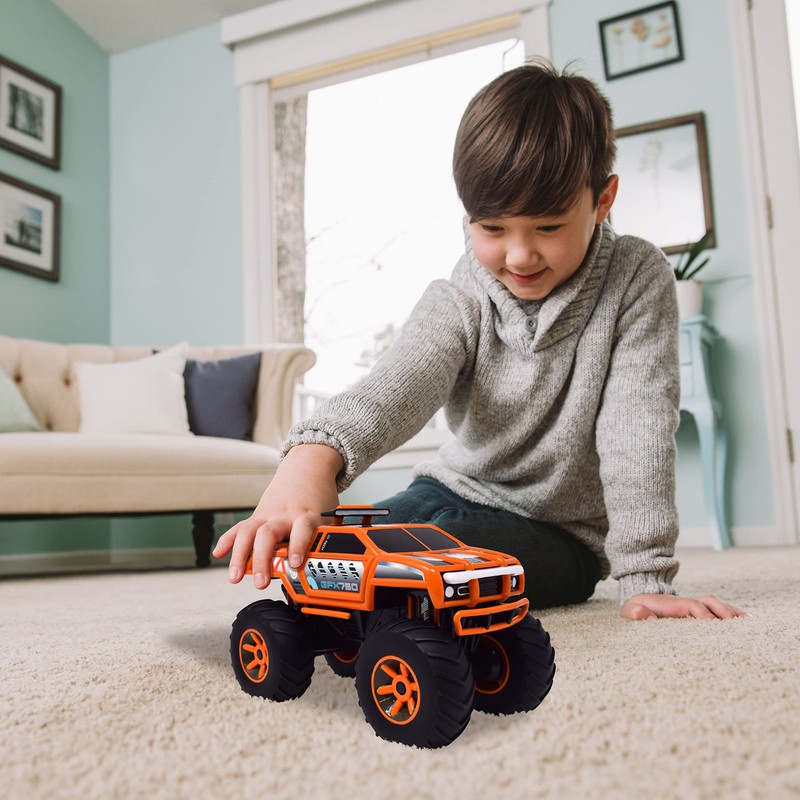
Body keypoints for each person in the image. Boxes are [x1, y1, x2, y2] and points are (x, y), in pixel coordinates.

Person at [214, 61, 744, 621]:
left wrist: (644, 575)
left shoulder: (638, 277)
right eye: (492, 229)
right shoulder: (459, 295)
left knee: (437, 550)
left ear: (602, 200)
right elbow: (400, 382)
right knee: (362, 539)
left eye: (547, 227)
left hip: (562, 535)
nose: (518, 256)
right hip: (450, 494)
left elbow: (635, 432)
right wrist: (311, 459)